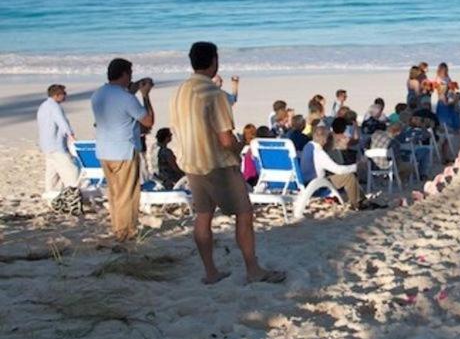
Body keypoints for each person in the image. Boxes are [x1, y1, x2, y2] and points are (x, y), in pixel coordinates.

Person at [169, 41, 284, 284]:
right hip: (218, 164)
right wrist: (240, 145)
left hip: (191, 161)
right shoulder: (215, 94)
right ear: (214, 61)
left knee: (203, 215)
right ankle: (253, 269)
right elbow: (225, 138)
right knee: (244, 214)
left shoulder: (180, 91)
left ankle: (210, 272)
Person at [92, 58, 154, 242]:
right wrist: (145, 95)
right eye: (130, 74)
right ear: (125, 74)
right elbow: (148, 121)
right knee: (128, 194)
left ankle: (118, 228)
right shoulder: (127, 98)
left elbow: (117, 106)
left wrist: (133, 90)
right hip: (123, 150)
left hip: (104, 150)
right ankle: (126, 233)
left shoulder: (98, 94)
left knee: (115, 194)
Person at [300, 126, 365, 210]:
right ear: (325, 140)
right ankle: (356, 204)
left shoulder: (308, 146)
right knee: (349, 177)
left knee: (343, 176)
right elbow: (339, 170)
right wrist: (356, 167)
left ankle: (362, 200)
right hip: (318, 185)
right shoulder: (319, 152)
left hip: (307, 181)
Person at [37, 84, 80, 194]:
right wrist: (71, 135)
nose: (65, 96)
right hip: (56, 145)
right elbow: (61, 122)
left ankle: (50, 194)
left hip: (46, 145)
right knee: (72, 171)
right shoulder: (55, 107)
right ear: (57, 95)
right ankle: (73, 194)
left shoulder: (43, 106)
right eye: (64, 94)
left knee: (52, 172)